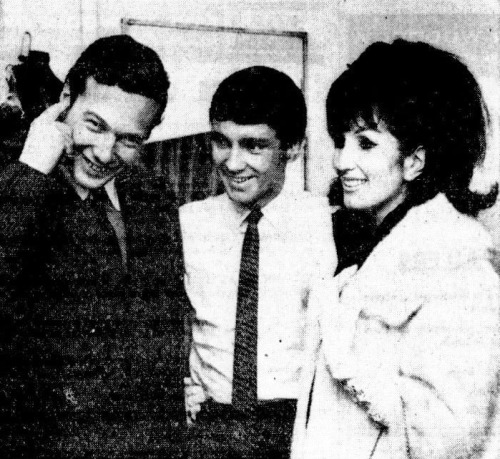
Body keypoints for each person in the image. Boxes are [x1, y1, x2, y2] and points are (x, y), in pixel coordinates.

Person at [292, 39, 500, 459]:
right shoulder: (360, 249)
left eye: (365, 143)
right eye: (341, 140)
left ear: (415, 161)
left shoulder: (459, 272)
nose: (340, 160)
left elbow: (448, 439)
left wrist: (347, 354)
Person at [0, 35, 188, 457]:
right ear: (65, 98)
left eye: (129, 139)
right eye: (95, 125)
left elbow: (165, 339)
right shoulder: (12, 175)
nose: (105, 153)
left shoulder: (153, 196)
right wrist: (30, 174)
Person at [180, 66, 336, 458]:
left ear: (294, 147)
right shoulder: (186, 223)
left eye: (253, 146)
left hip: (297, 429)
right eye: (222, 142)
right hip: (208, 431)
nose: (232, 164)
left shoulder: (329, 225)